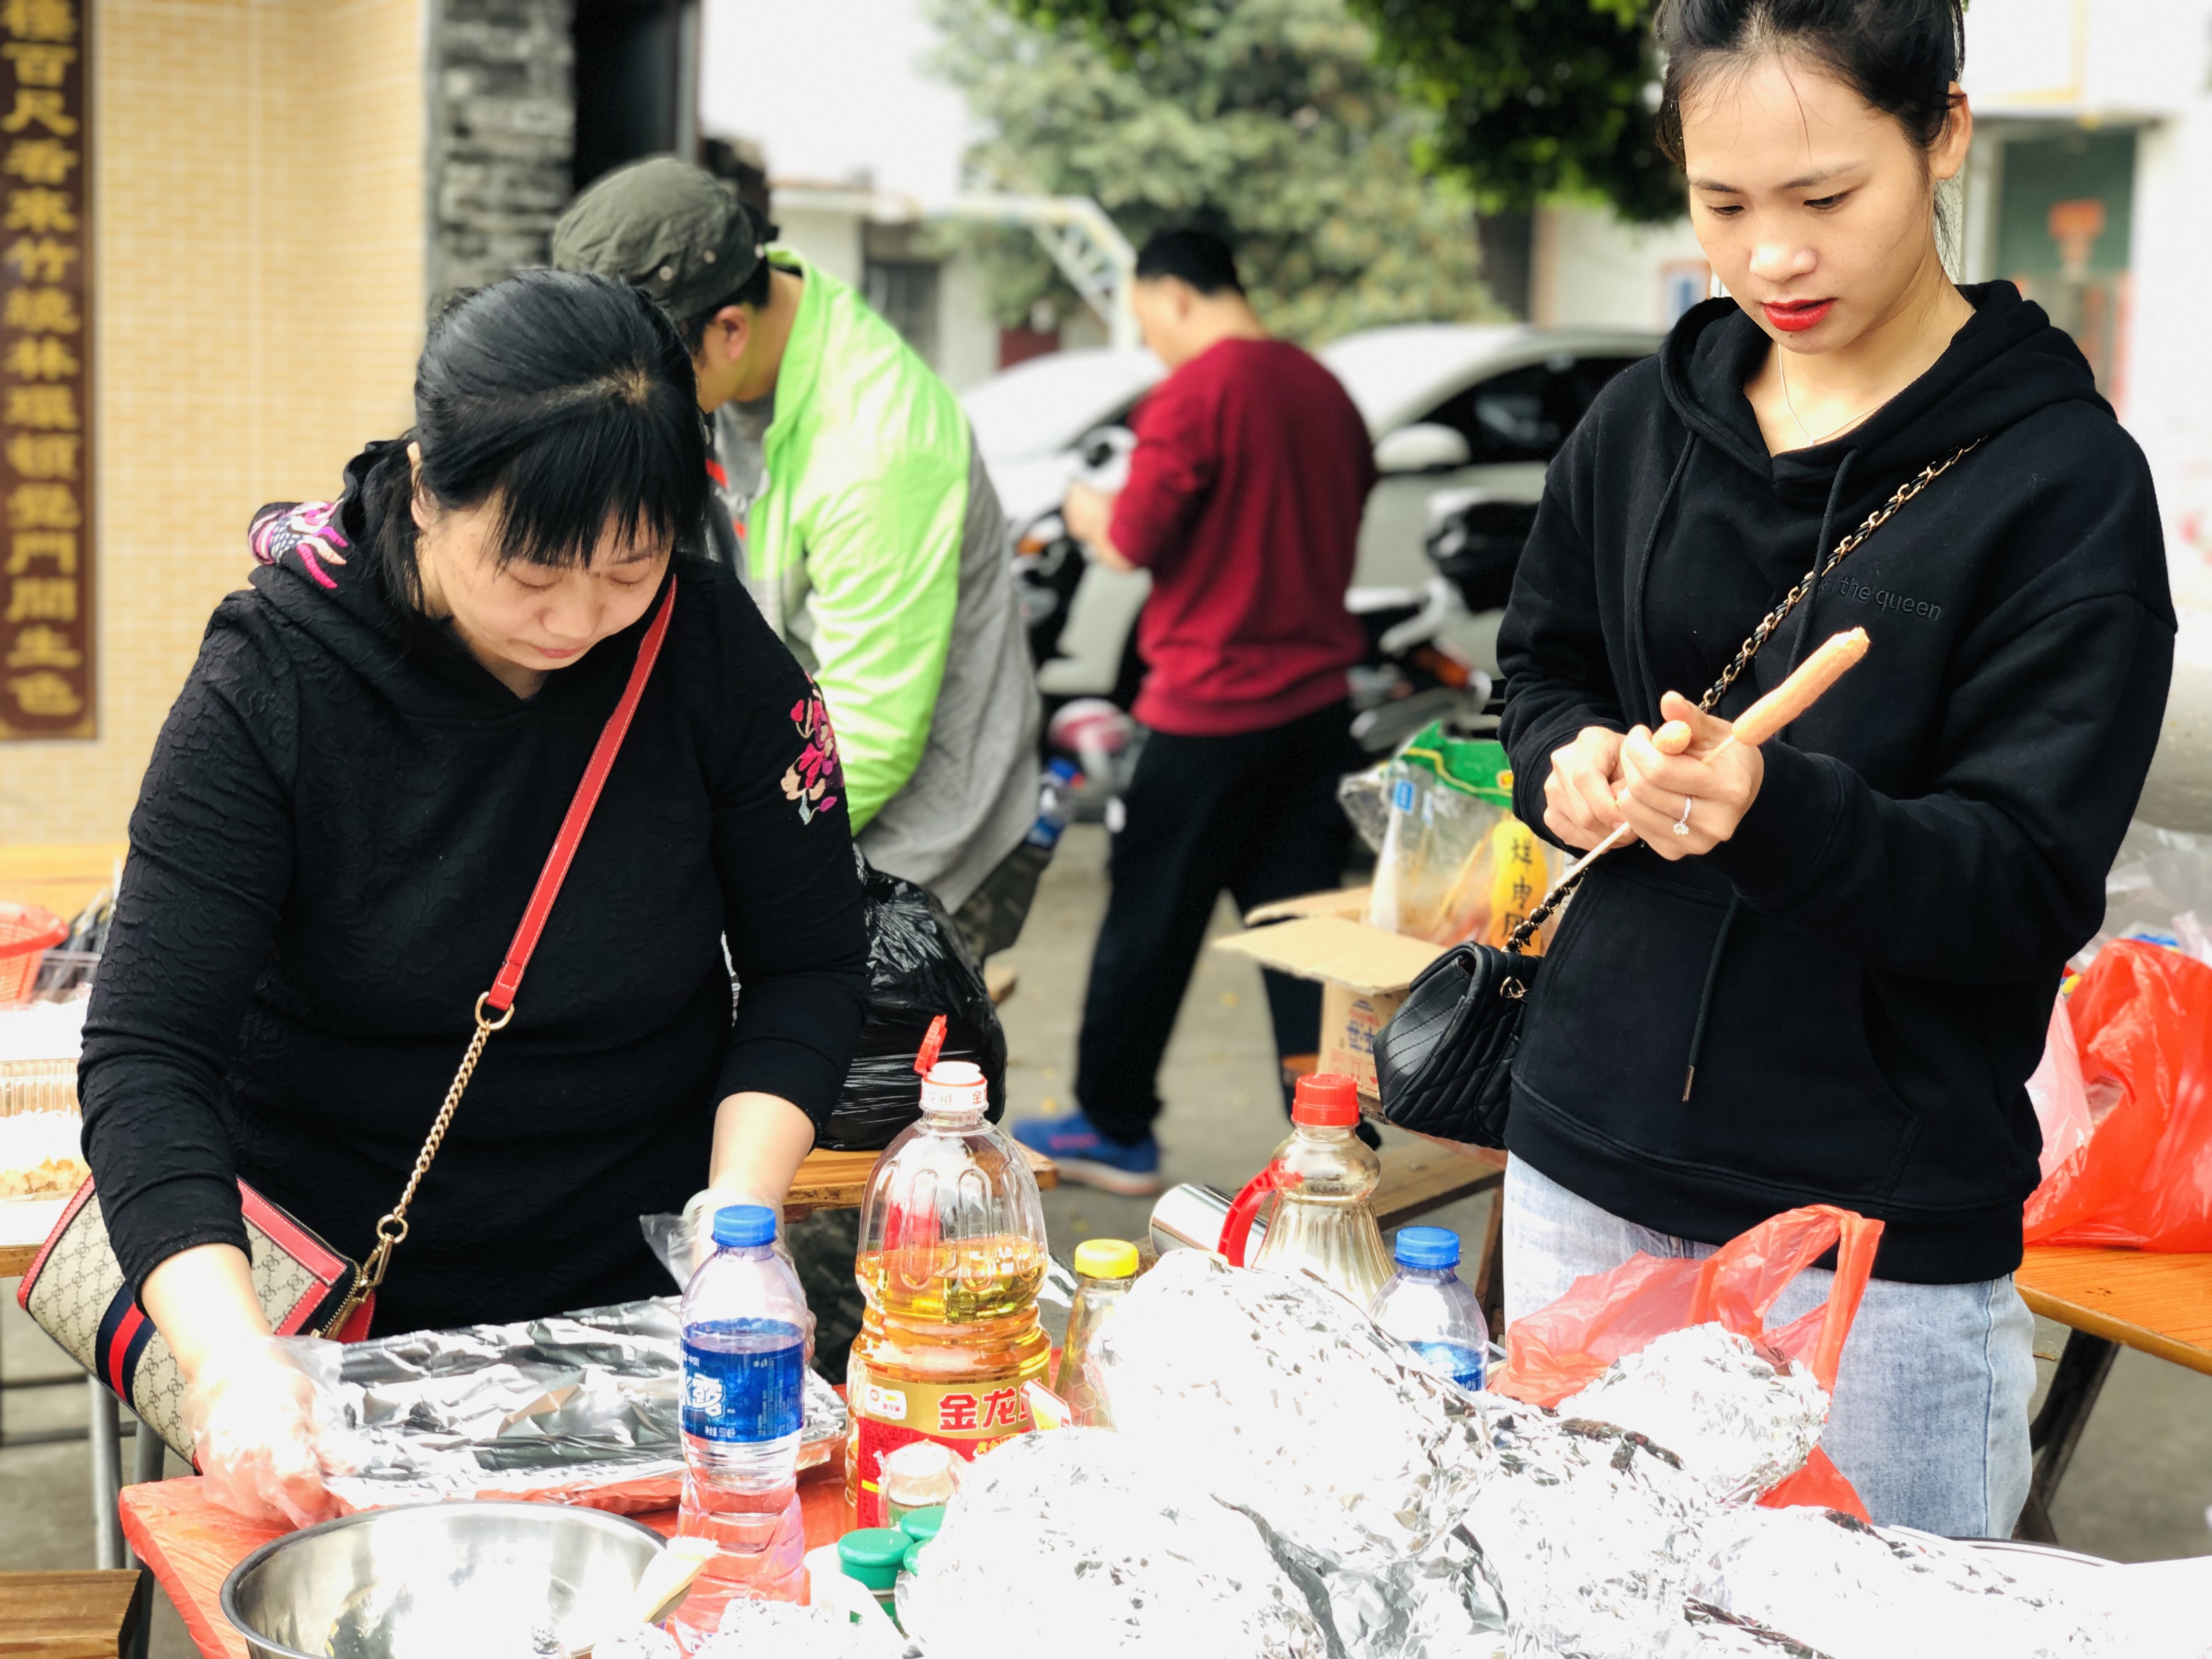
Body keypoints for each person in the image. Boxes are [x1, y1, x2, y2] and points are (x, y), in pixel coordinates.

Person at [1493, 0, 2172, 1537]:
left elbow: (2021, 882)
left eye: (1825, 199)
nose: (1774, 258)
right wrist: (1575, 765)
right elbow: (1539, 669)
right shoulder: (1635, 427)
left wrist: (1768, 808)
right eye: (1723, 204)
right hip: (1581, 1159)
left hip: (1872, 1242)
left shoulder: (2063, 492)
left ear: (1942, 134)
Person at [78, 272, 872, 1522]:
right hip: (327, 1335)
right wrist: (233, 1369)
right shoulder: (275, 675)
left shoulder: (714, 656)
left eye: (630, 568)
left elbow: (811, 959)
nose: (577, 620)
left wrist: (737, 1230)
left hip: (633, 1323)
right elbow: (148, 1052)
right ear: (425, 489)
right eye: (533, 569)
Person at [550, 159, 1041, 933]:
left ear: (730, 331)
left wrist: (684, 860)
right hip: (783, 772)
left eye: (646, 375)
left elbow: (870, 733)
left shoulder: (878, 446)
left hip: (918, 834)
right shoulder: (731, 338)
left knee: (856, 1049)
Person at [1013, 229, 1375, 1195]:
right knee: (1300, 941)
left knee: (1149, 921)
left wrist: (1092, 510)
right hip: (1314, 714)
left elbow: (1132, 541)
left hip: (1207, 708)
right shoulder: (1326, 392)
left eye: (1144, 319)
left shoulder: (1199, 392)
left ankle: (1112, 1127)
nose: (1151, 341)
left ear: (1173, 295)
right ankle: (1327, 1150)